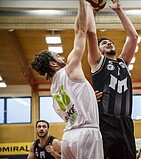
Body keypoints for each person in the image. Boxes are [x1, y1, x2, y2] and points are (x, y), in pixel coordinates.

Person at [30, 0, 104, 158]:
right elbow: (80, 32)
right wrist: (84, 3)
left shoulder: (53, 89)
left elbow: (74, 107)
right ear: (52, 63)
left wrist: (89, 98)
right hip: (87, 133)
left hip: (69, 137)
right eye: (57, 56)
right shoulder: (70, 69)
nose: (62, 56)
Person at [86, 0, 139, 158]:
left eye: (110, 42)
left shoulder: (123, 63)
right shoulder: (97, 62)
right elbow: (91, 34)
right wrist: (91, 10)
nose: (108, 43)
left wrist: (119, 10)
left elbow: (133, 36)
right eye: (103, 43)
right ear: (98, 50)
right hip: (106, 121)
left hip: (126, 122)